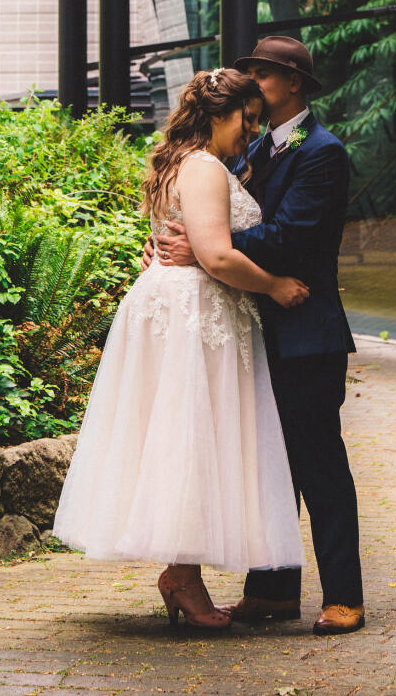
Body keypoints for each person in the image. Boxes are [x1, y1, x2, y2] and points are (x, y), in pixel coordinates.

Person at [52, 67, 311, 630]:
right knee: (192, 436)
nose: (251, 130)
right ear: (219, 114)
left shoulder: (182, 163)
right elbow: (216, 256)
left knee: (187, 438)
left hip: (185, 309)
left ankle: (183, 575)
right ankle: (182, 577)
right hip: (194, 313)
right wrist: (274, 285)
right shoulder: (204, 168)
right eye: (246, 119)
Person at [152, 36, 364, 635]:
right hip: (253, 329)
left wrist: (204, 248)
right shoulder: (249, 148)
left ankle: (345, 596)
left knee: (319, 465)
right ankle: (271, 591)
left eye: (262, 75)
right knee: (270, 464)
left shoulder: (322, 151)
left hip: (306, 329)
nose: (253, 84)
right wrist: (178, 242)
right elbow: (205, 209)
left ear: (293, 83)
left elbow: (290, 234)